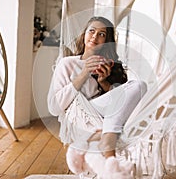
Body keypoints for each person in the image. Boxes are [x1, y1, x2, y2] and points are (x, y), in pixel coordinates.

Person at [47, 16, 147, 175]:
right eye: (91, 31)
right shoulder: (67, 63)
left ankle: (106, 150)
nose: (95, 36)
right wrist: (84, 73)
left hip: (103, 117)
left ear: (106, 41)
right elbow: (54, 107)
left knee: (140, 85)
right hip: (79, 114)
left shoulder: (110, 65)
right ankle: (108, 147)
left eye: (101, 34)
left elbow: (120, 104)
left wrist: (104, 83)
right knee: (99, 136)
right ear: (84, 35)